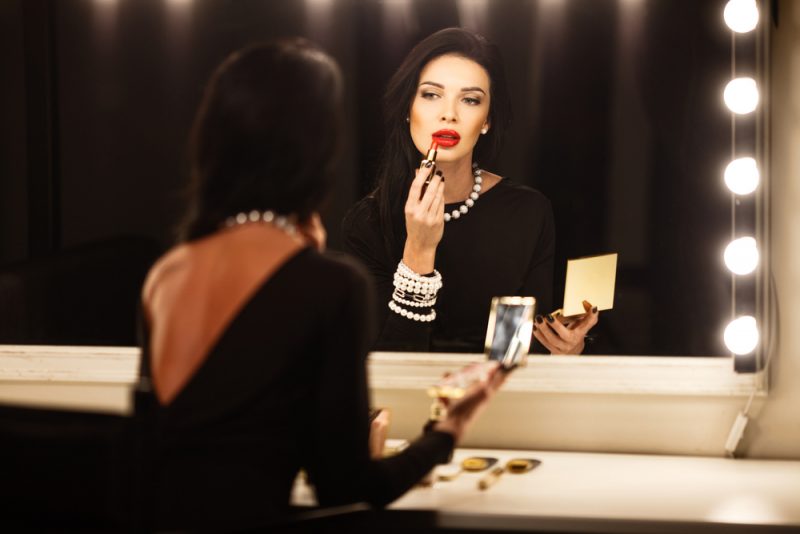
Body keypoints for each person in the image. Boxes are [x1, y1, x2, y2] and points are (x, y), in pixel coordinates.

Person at [135, 39, 505, 531]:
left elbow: (171, 447)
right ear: (318, 150)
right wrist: (447, 431)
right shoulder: (329, 284)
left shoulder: (168, 273)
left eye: (470, 99)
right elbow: (347, 485)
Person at [342, 27, 599, 355]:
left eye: (470, 99)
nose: (449, 113)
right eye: (431, 94)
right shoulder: (367, 222)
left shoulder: (526, 213)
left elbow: (513, 351)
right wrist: (419, 252)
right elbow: (385, 364)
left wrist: (564, 349)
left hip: (497, 399)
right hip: (405, 403)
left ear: (487, 119)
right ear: (408, 108)